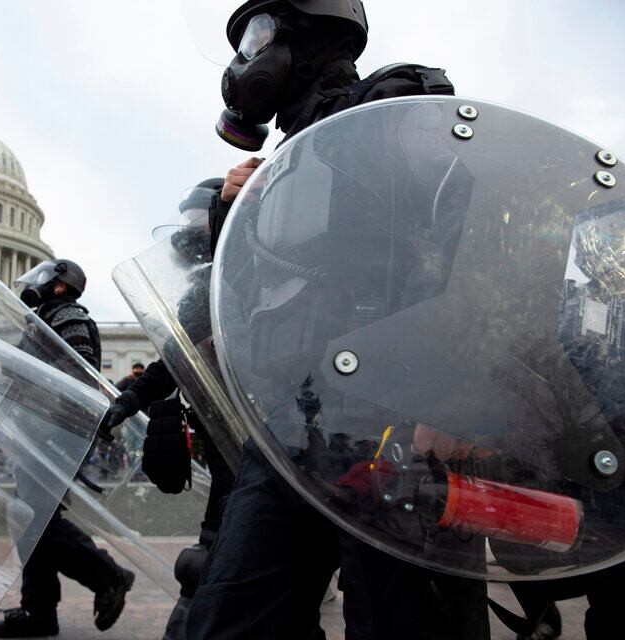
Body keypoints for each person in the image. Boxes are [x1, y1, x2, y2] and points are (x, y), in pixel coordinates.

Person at [175, 2, 495, 639]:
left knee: (404, 624)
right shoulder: (279, 170)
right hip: (288, 427)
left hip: (389, 422)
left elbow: (473, 239)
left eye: (256, 37)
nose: (245, 60)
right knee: (226, 621)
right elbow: (245, 303)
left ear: (309, 32)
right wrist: (233, 218)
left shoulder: (394, 106)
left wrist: (452, 391)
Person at [99, 178, 237, 640]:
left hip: (263, 446)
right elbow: (177, 359)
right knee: (210, 559)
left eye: (196, 218)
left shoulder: (251, 277)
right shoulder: (204, 286)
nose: (186, 231)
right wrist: (130, 399)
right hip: (226, 445)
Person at [0, 258, 135, 639]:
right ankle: (39, 611)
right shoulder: (45, 319)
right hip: (39, 432)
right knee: (32, 521)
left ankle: (108, 576)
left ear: (59, 285)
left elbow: (78, 378)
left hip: (54, 435)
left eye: (43, 279)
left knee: (37, 521)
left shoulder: (67, 316)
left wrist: (53, 426)